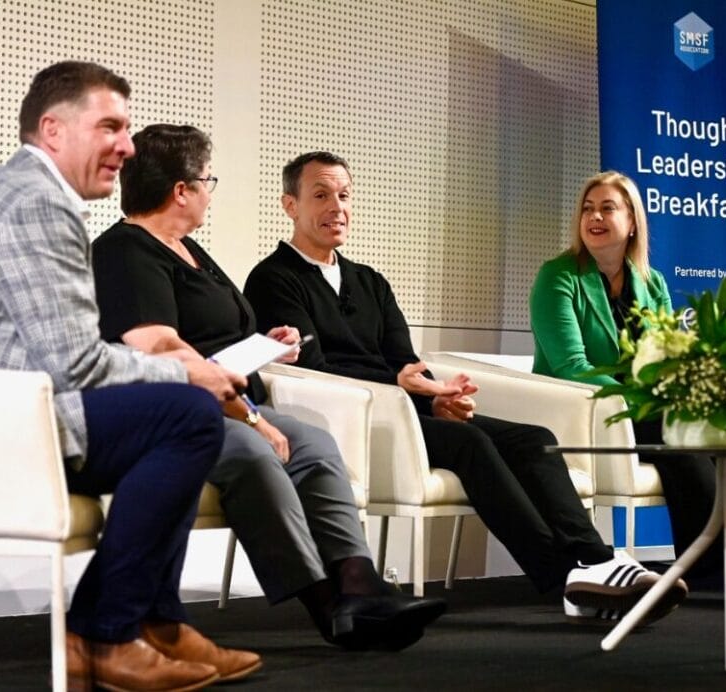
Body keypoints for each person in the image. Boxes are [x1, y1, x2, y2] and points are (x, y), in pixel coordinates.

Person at [0, 62, 259, 690]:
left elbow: (65, 357)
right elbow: (77, 365)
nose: (127, 145)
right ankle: (106, 631)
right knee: (190, 418)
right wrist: (181, 373)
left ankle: (154, 622)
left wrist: (170, 372)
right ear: (53, 130)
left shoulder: (22, 192)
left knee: (175, 421)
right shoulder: (36, 204)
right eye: (111, 126)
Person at [243, 152, 687, 624]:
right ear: (289, 205)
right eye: (321, 195)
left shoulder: (368, 280)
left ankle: (593, 558)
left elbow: (404, 359)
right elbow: (312, 370)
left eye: (345, 195)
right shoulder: (273, 279)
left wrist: (438, 395)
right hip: (351, 420)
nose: (338, 206)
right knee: (471, 443)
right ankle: (565, 577)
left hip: (407, 408)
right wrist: (405, 388)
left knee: (534, 438)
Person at [91, 124, 445, 651]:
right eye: (207, 179)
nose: (211, 190)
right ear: (181, 189)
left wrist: (264, 345)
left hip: (232, 399)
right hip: (175, 413)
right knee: (256, 453)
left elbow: (214, 338)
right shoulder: (125, 251)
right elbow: (162, 347)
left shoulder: (190, 249)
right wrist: (248, 416)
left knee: (315, 444)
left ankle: (358, 580)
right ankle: (327, 603)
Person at [528, 171, 726, 594]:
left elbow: (665, 358)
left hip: (643, 409)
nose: (594, 217)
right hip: (585, 411)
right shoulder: (559, 277)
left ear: (633, 221)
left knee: (709, 424)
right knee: (676, 429)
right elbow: (571, 366)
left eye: (607, 208)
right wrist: (646, 395)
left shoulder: (651, 282)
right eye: (588, 209)